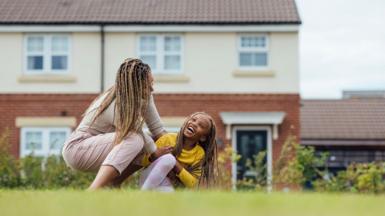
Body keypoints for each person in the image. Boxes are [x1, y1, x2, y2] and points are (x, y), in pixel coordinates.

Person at [62, 58, 170, 190]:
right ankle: (94, 190)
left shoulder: (145, 95)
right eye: (148, 85)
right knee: (136, 139)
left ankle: (114, 184)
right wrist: (154, 152)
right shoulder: (116, 103)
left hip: (100, 145)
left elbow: (158, 130)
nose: (152, 89)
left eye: (152, 82)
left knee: (150, 140)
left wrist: (179, 143)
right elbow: (137, 133)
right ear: (135, 86)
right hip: (78, 149)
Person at [139, 112, 218, 191]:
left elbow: (192, 183)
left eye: (201, 125)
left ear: (203, 137)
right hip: (147, 178)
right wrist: (154, 155)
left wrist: (176, 165)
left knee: (170, 198)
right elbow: (143, 163)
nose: (194, 124)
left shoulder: (199, 153)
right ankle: (144, 192)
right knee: (169, 159)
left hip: (169, 184)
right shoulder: (167, 138)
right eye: (193, 120)